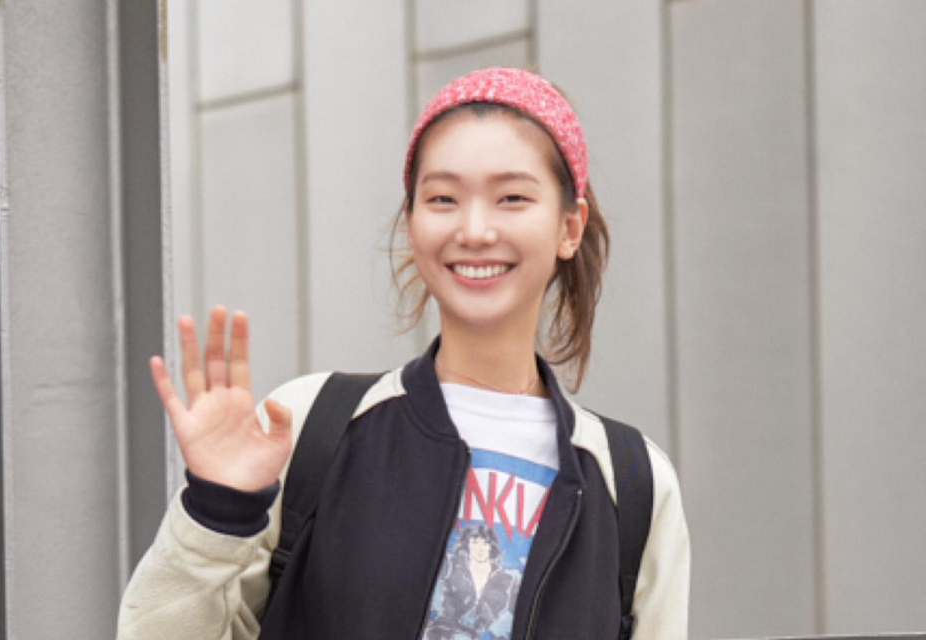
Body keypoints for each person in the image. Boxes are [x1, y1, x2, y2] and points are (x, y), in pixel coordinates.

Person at [117, 67, 690, 640]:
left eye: (512, 198)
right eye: (442, 199)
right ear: (411, 223)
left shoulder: (634, 485)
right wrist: (216, 514)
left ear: (570, 226)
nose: (474, 230)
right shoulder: (312, 426)